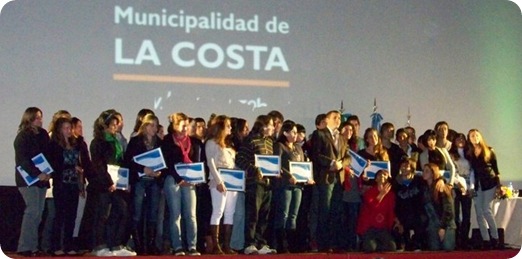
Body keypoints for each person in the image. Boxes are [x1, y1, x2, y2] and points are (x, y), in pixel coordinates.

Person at [89, 110, 136, 257]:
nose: (116, 127)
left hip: (118, 182)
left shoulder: (117, 141)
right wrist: (108, 182)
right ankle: (100, 245)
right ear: (105, 125)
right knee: (103, 214)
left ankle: (115, 244)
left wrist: (125, 181)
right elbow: (98, 164)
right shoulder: (98, 142)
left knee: (121, 211)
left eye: (117, 124)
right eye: (114, 124)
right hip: (104, 183)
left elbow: (121, 163)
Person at [161, 112, 202, 256]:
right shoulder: (167, 140)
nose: (186, 128)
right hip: (173, 179)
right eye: (183, 125)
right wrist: (179, 179)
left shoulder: (194, 142)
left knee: (191, 214)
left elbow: (197, 163)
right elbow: (166, 163)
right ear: (175, 125)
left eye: (187, 125)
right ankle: (177, 246)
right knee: (175, 214)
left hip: (189, 180)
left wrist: (196, 177)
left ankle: (192, 246)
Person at [235, 115, 277, 255]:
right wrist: (254, 169)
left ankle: (261, 243)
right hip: (255, 183)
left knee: (264, 215)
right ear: (263, 126)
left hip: (268, 183)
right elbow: (240, 159)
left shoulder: (270, 142)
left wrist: (275, 171)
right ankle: (250, 243)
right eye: (270, 125)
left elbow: (271, 163)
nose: (272, 128)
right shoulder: (251, 140)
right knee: (253, 214)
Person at [311, 110, 350, 253]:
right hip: (326, 177)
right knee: (324, 211)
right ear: (327, 119)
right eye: (335, 117)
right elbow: (316, 154)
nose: (339, 120)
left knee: (336, 211)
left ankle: (334, 242)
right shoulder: (319, 134)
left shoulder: (341, 138)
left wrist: (341, 163)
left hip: (338, 179)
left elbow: (348, 157)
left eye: (340, 118)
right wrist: (331, 163)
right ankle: (323, 243)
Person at [48, 117, 88, 255]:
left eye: (70, 128)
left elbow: (81, 162)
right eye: (65, 128)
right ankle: (55, 245)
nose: (69, 130)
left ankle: (69, 245)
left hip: (73, 183)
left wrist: (81, 183)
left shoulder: (76, 144)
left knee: (72, 215)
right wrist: (72, 166)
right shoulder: (54, 145)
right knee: (60, 215)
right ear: (59, 129)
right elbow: (55, 165)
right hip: (61, 184)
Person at [14, 107, 51, 257]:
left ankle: (33, 246)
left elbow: (49, 153)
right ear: (29, 119)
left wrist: (49, 172)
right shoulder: (22, 137)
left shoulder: (42, 135)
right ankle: (24, 246)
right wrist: (37, 173)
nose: (40, 120)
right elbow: (23, 160)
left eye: (41, 117)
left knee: (39, 213)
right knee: (32, 211)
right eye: (37, 118)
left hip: (42, 179)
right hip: (27, 179)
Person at [124, 114, 162, 255]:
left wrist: (159, 172)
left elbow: (164, 162)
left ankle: (150, 244)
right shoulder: (135, 141)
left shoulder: (159, 142)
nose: (154, 128)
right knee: (137, 213)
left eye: (156, 125)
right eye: (151, 125)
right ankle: (139, 245)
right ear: (145, 126)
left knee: (153, 214)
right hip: (139, 180)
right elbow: (128, 161)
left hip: (154, 182)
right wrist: (143, 169)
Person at [273, 120, 313, 253]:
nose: (296, 135)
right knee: (283, 213)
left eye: (296, 133)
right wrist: (288, 175)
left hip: (298, 186)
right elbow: (277, 165)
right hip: (284, 184)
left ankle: (291, 243)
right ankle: (281, 244)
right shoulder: (279, 146)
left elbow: (302, 166)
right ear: (285, 133)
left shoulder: (298, 148)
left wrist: (307, 177)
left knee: (293, 215)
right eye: (293, 132)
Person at [205, 115, 238, 254]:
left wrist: (239, 177)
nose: (230, 128)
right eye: (228, 125)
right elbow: (211, 163)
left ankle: (227, 245)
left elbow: (232, 165)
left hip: (232, 182)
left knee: (230, 212)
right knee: (218, 211)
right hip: (218, 181)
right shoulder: (211, 143)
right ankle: (216, 245)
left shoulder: (228, 145)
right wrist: (219, 181)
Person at [466, 129, 502, 250]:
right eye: (472, 136)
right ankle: (486, 240)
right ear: (469, 138)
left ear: (480, 137)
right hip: (477, 185)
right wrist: (471, 186)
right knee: (479, 213)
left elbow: (496, 170)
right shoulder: (470, 153)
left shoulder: (489, 150)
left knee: (486, 209)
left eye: (476, 135)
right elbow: (471, 171)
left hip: (489, 183)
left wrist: (498, 186)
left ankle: (495, 237)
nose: (474, 137)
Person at [356, 170, 397, 253]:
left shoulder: (391, 195)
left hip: (382, 228)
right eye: (379, 175)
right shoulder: (369, 192)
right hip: (369, 227)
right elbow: (372, 206)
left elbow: (390, 212)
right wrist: (382, 194)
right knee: (370, 248)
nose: (382, 176)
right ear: (376, 179)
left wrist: (392, 225)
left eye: (385, 175)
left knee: (392, 247)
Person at [392, 157, 427, 251]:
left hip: (417, 213)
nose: (403, 168)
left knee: (422, 220)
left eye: (406, 166)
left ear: (411, 168)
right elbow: (394, 204)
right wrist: (397, 220)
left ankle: (416, 243)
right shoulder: (395, 183)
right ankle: (404, 243)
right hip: (402, 214)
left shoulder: (419, 181)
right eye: (402, 166)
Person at [422, 163, 456, 251]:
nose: (424, 173)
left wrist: (442, 227)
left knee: (447, 247)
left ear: (433, 173)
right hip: (432, 223)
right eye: (423, 171)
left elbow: (448, 210)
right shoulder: (424, 188)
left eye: (427, 171)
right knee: (434, 249)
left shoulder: (441, 188)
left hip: (446, 223)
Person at [449, 133, 473, 250]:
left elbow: (472, 172)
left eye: (463, 138)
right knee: (456, 215)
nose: (461, 140)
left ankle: (465, 240)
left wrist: (470, 187)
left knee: (467, 215)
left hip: (468, 187)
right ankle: (457, 240)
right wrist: (460, 185)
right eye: (458, 138)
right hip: (456, 187)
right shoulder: (451, 155)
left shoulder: (469, 155)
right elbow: (453, 173)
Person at [229, 117, 250, 252]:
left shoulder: (245, 144)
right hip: (232, 182)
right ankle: (232, 244)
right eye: (245, 128)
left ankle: (237, 244)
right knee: (235, 213)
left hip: (241, 182)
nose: (248, 131)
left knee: (240, 214)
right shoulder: (231, 144)